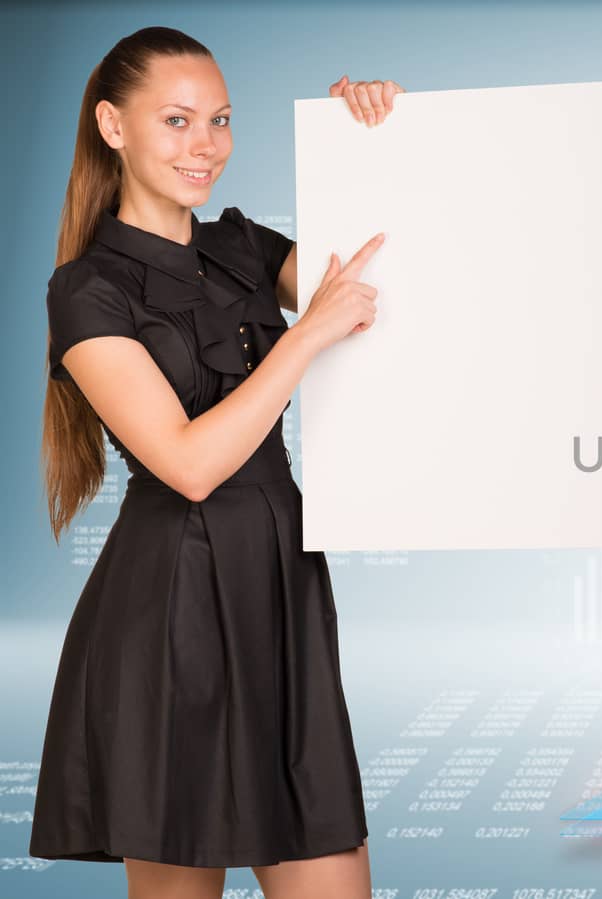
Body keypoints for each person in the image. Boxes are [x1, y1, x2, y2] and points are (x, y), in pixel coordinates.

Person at [34, 25, 402, 899]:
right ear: (112, 126)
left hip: (281, 587)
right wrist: (305, 334)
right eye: (178, 120)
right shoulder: (86, 291)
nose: (207, 146)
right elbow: (188, 465)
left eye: (222, 120)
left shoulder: (242, 246)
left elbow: (386, 289)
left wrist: (373, 141)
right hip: (170, 612)